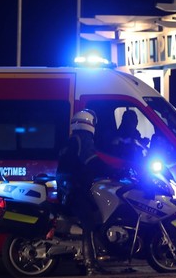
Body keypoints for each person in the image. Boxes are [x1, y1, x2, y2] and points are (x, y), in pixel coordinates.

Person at [56, 109, 111, 276]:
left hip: (68, 188)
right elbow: (91, 160)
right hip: (74, 189)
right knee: (89, 223)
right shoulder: (83, 139)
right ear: (89, 123)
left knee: (94, 214)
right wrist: (114, 170)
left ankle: (88, 258)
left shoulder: (71, 139)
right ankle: (90, 265)